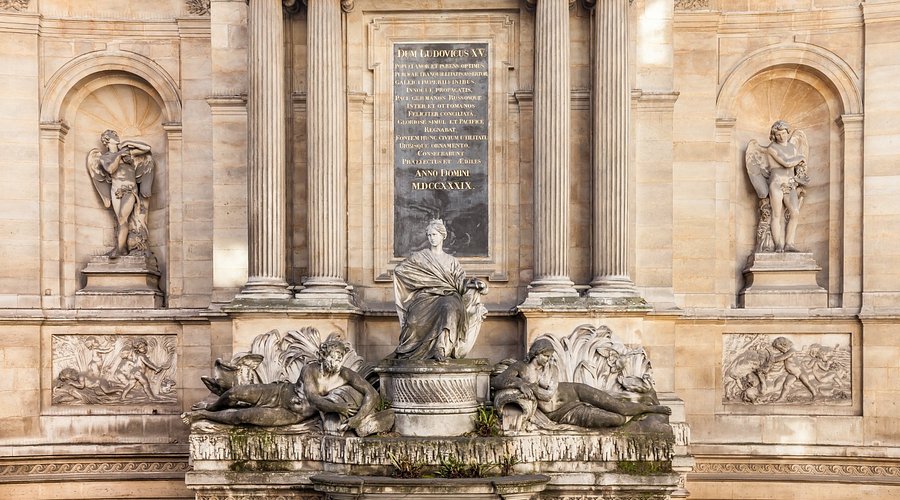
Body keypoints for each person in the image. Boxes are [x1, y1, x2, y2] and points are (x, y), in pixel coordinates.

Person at [491, 339, 671, 431]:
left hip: (575, 390)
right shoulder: (520, 368)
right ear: (535, 353)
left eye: (549, 356)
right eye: (545, 355)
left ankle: (650, 409)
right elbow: (497, 381)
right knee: (616, 419)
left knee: (620, 407)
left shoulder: (550, 370)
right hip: (563, 412)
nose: (547, 359)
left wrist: (531, 388)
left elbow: (547, 394)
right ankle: (639, 413)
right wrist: (520, 383)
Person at [391, 219, 488, 361]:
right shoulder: (419, 257)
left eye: (434, 235)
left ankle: (441, 348)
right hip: (426, 296)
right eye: (429, 235)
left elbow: (460, 283)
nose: (431, 238)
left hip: (449, 295)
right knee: (413, 321)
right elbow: (400, 270)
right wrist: (423, 281)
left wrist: (476, 285)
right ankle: (410, 350)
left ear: (443, 236)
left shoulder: (452, 261)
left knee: (448, 307)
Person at [300, 339, 393, 436]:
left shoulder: (344, 374)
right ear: (323, 356)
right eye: (332, 358)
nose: (336, 363)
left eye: (339, 359)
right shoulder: (309, 370)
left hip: (321, 413)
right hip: (295, 406)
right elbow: (312, 399)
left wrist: (357, 418)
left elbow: (372, 393)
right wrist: (339, 408)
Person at [87, 129, 155, 258]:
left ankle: (118, 250)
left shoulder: (128, 152)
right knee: (120, 221)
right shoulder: (105, 157)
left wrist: (129, 142)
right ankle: (122, 249)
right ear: (107, 140)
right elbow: (111, 169)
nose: (116, 136)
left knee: (123, 219)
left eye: (116, 134)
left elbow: (147, 148)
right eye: (113, 135)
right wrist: (118, 155)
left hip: (129, 190)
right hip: (115, 191)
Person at [765, 121, 807, 253]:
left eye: (783, 133)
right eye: (778, 134)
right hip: (776, 182)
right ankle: (778, 244)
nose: (782, 137)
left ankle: (789, 243)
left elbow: (795, 167)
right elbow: (787, 163)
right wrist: (801, 157)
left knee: (795, 213)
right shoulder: (771, 148)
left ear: (787, 133)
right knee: (776, 215)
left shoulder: (793, 148)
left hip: (790, 183)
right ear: (774, 136)